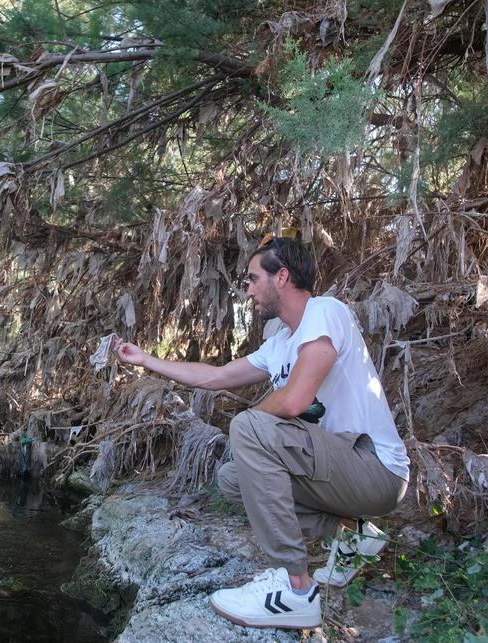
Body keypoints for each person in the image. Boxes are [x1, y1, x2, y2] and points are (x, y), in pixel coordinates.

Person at [114, 236, 409, 630]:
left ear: (282, 276)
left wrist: (251, 423)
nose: (248, 289)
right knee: (233, 478)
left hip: (376, 469)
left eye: (254, 279)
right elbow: (217, 377)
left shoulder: (324, 312)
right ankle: (352, 534)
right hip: (339, 469)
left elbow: (293, 401)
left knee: (249, 427)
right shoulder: (281, 342)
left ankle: (295, 590)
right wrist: (146, 359)